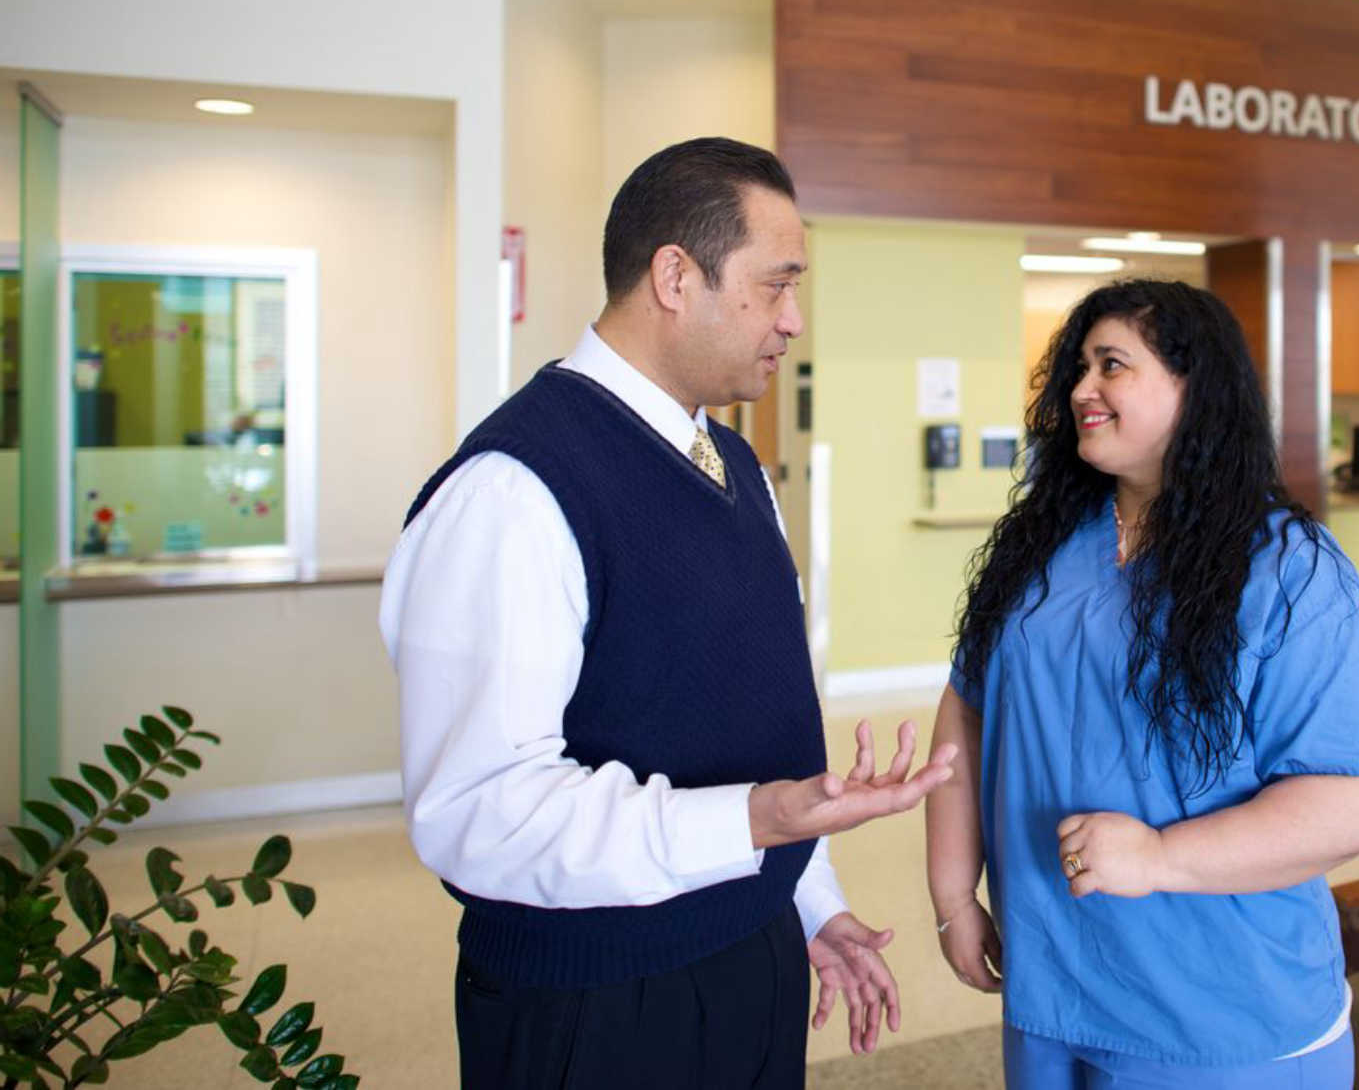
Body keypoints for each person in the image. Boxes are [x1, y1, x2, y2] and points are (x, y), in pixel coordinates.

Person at [383, 137, 956, 1089]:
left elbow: (745, 729)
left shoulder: (735, 468)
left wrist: (809, 901)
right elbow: (478, 813)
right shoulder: (513, 492)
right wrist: (756, 821)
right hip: (597, 1005)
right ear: (676, 276)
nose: (794, 318)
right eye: (776, 286)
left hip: (751, 951)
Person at [926, 279, 1359, 1088]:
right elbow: (968, 704)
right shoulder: (1043, 545)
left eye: (1112, 365)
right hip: (1053, 984)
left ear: (1194, 388)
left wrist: (1160, 855)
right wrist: (954, 892)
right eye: (1079, 367)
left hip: (1222, 1015)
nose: (1081, 388)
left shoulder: (1288, 570)